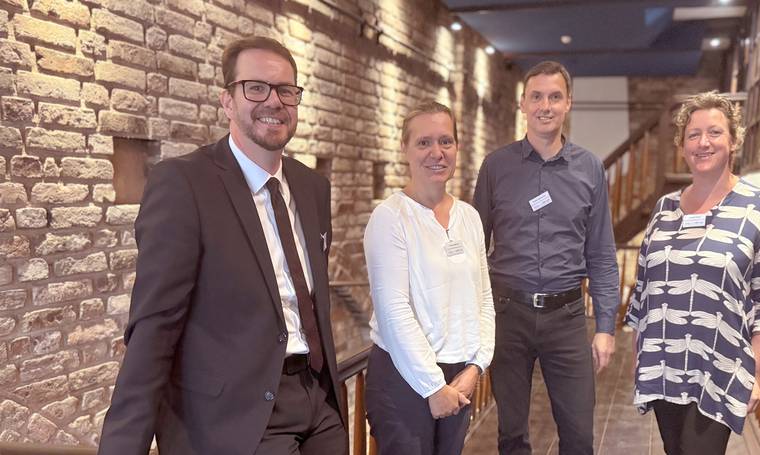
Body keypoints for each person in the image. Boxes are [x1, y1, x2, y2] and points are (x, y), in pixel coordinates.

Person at [98, 36, 347, 455]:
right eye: (256, 88)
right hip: (238, 418)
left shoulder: (312, 187)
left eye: (286, 90)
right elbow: (155, 327)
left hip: (318, 404)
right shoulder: (184, 184)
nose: (274, 101)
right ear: (227, 101)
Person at [624, 91, 760, 455]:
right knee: (675, 450)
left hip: (721, 364)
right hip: (663, 361)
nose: (703, 143)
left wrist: (754, 371)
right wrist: (639, 357)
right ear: (682, 145)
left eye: (714, 133)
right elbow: (645, 290)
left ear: (734, 140)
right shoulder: (665, 209)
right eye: (693, 135)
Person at [473, 61, 621, 455]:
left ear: (568, 103)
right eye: (536, 96)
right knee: (511, 435)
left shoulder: (589, 168)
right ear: (522, 104)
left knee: (578, 436)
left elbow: (603, 254)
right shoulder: (496, 167)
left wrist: (606, 326)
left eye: (555, 96)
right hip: (508, 316)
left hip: (567, 317)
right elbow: (473, 250)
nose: (545, 105)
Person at [364, 101, 495, 455]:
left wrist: (476, 366)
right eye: (423, 143)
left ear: (457, 147)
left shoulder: (469, 217)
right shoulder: (390, 218)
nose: (436, 152)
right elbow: (393, 311)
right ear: (404, 147)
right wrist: (433, 386)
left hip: (458, 377)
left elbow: (484, 299)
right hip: (403, 377)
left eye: (446, 141)